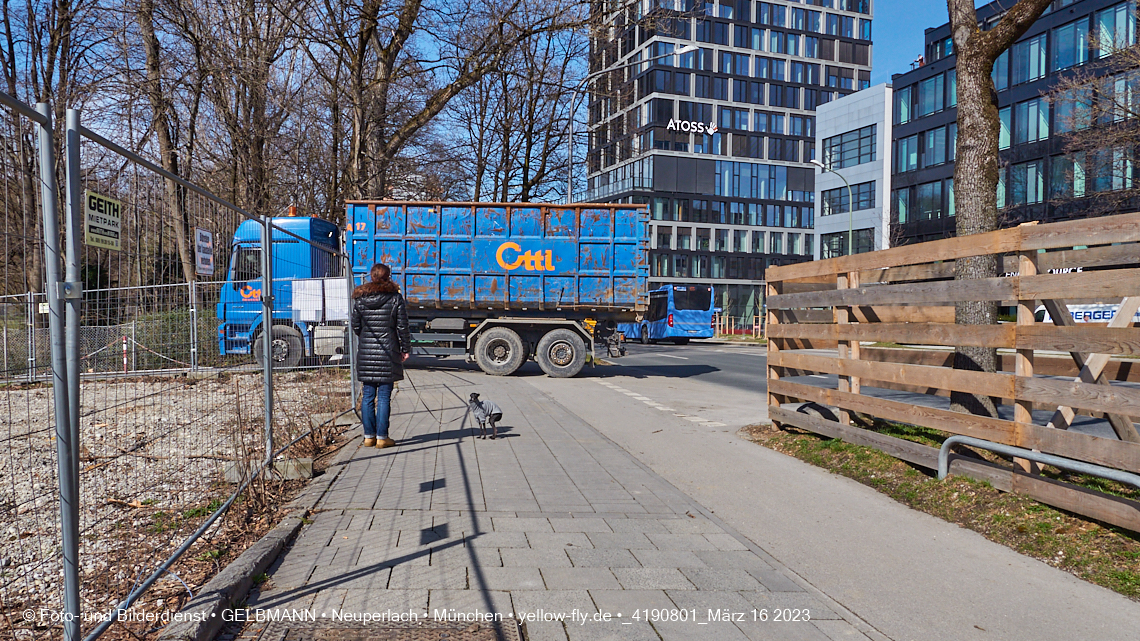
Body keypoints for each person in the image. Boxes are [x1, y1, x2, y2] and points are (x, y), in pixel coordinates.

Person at [351, 263, 411, 448]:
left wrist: (367, 339)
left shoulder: (360, 299)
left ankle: (369, 436)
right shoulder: (395, 298)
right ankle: (382, 438)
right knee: (384, 396)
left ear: (372, 276)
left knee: (368, 396)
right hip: (388, 353)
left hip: (367, 353)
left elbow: (355, 326)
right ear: (388, 277)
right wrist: (405, 349)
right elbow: (402, 326)